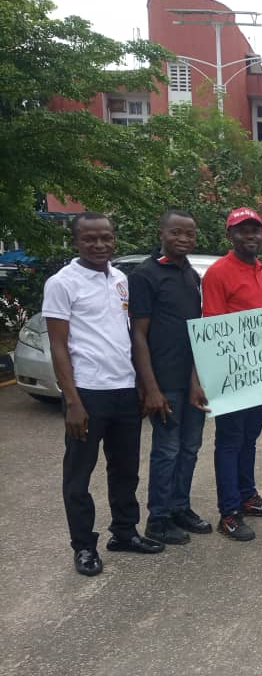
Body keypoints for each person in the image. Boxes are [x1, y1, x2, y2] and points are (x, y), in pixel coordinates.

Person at [43, 212, 164, 576]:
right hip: (88, 394)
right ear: (76, 241)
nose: (99, 245)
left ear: (114, 239)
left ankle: (124, 532)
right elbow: (58, 346)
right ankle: (83, 547)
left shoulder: (121, 279)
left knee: (125, 469)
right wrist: (73, 401)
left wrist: (142, 386)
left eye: (105, 238)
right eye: (90, 239)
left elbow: (126, 337)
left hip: (123, 391)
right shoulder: (62, 283)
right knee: (78, 476)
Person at [129, 210, 213, 545]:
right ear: (161, 233)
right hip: (163, 383)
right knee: (167, 450)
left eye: (189, 234)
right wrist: (150, 388)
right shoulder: (145, 275)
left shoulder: (190, 275)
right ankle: (158, 518)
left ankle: (180, 507)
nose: (184, 239)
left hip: (191, 379)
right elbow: (138, 335)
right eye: (176, 232)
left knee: (190, 448)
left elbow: (197, 332)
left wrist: (196, 379)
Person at [198, 207, 262, 541]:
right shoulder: (218, 273)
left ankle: (248, 496)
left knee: (249, 439)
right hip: (232, 373)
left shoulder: (260, 269)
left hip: (260, 371)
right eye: (243, 231)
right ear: (230, 235)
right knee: (230, 442)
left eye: (255, 230)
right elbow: (215, 327)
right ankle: (229, 512)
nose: (250, 236)